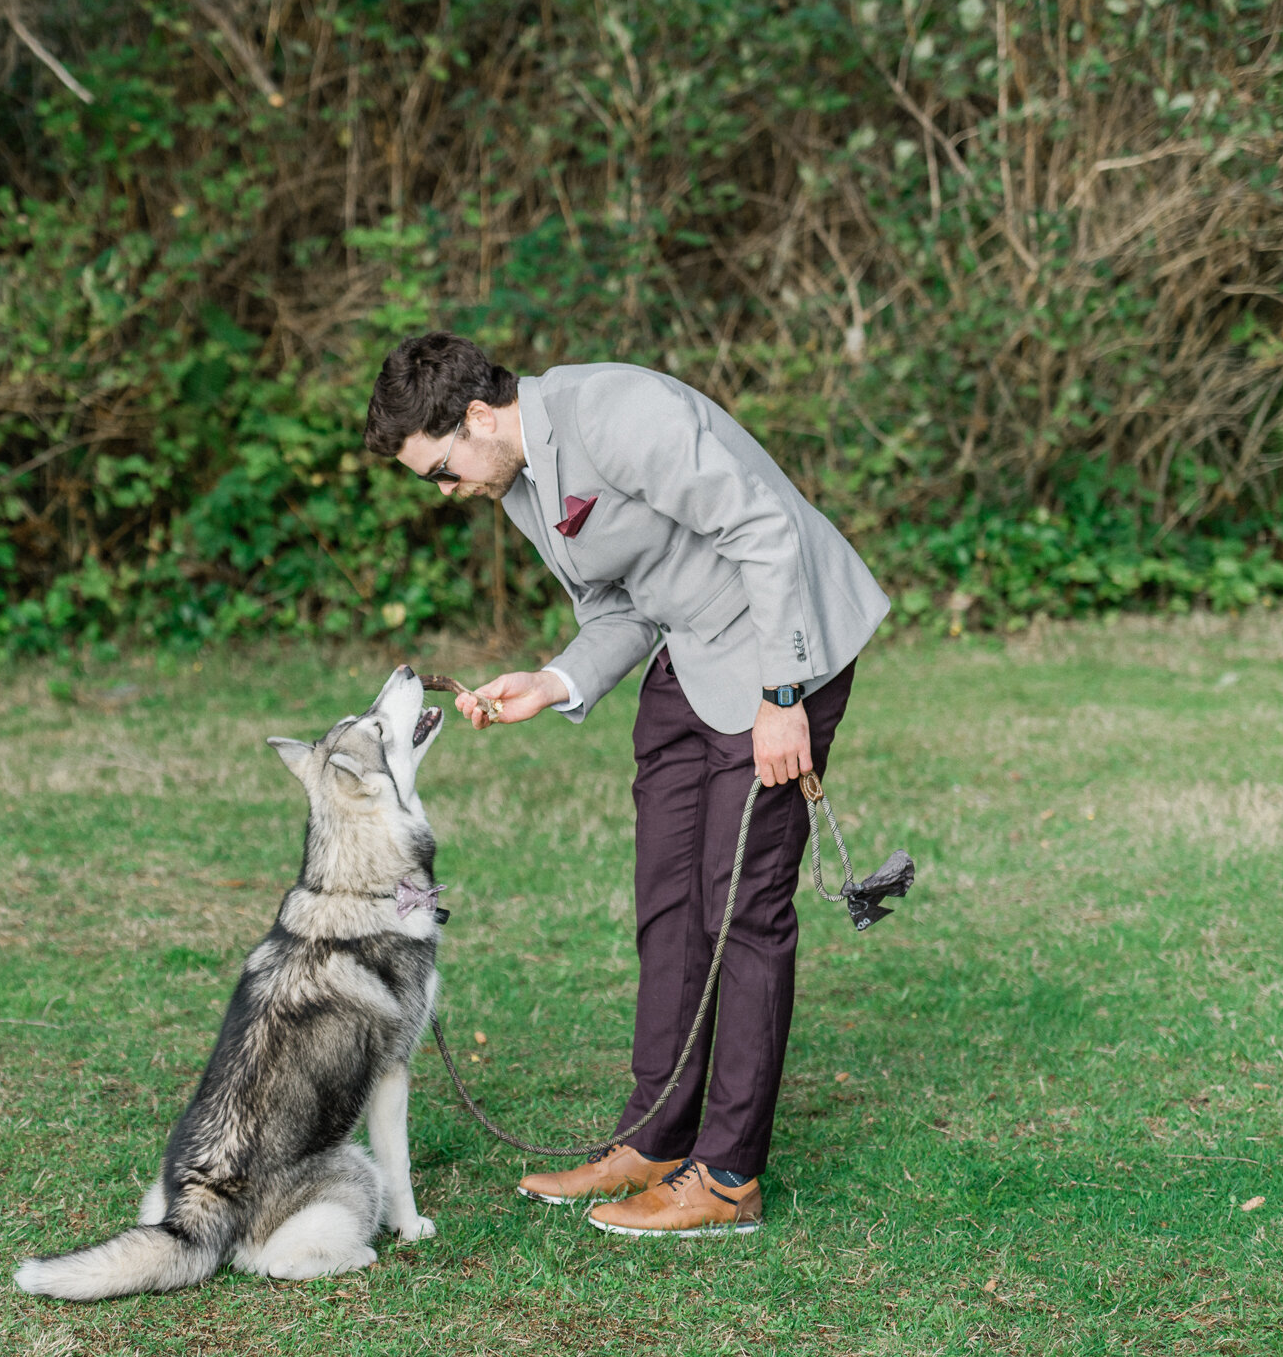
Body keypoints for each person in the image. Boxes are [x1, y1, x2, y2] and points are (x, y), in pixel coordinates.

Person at [362, 331, 890, 1237]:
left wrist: (782, 694)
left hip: (778, 644)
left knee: (743, 909)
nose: (445, 493)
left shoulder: (617, 415)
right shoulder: (519, 479)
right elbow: (617, 603)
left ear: (478, 416)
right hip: (689, 653)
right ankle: (652, 1137)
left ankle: (727, 1177)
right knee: (668, 896)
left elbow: (762, 526)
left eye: (440, 470)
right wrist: (555, 680)